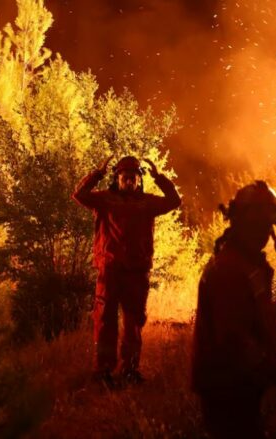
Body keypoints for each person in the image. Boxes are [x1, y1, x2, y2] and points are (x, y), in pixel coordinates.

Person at [191, 180, 276, 438]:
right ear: (241, 223)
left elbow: (253, 328)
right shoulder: (229, 269)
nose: (264, 233)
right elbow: (234, 341)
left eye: (267, 226)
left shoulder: (250, 264)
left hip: (242, 383)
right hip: (224, 386)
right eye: (258, 225)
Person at [72, 155, 181, 385]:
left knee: (133, 323)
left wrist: (160, 178)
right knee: (105, 322)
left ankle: (130, 370)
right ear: (117, 178)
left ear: (139, 180)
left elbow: (174, 201)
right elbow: (79, 195)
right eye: (125, 177)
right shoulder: (105, 200)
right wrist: (97, 174)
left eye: (134, 177)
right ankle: (104, 372)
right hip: (110, 271)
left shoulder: (147, 203)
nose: (130, 181)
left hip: (136, 272)